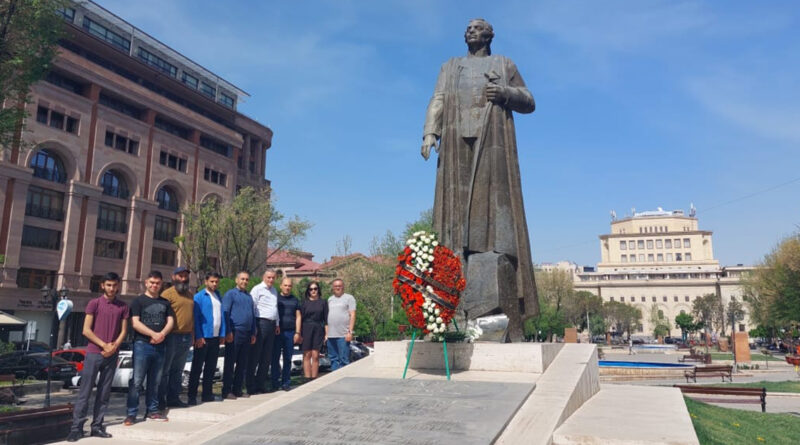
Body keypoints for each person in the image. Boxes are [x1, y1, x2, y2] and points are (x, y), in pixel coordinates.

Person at [420, 18, 538, 340]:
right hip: (456, 140)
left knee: (494, 211)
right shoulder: (450, 67)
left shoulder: (504, 63)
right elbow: (438, 99)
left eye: (476, 27)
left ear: (488, 35)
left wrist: (505, 93)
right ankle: (453, 298)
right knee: (454, 219)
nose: (469, 31)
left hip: (492, 138)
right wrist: (430, 131)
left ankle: (495, 286)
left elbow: (529, 100)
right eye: (467, 28)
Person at [66, 272, 129, 442]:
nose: (112, 288)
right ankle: (77, 428)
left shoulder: (123, 306)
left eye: (114, 285)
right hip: (94, 353)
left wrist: (114, 346)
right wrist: (104, 345)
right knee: (85, 392)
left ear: (118, 286)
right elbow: (86, 330)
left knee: (104, 393)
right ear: (102, 285)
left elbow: (124, 331)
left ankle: (97, 426)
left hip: (112, 354)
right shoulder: (94, 303)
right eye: (108, 285)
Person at [125, 271, 174, 425]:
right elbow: (135, 323)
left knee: (155, 381)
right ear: (146, 283)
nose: (154, 285)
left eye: (157, 283)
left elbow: (170, 321)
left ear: (161, 284)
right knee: (137, 381)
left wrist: (162, 334)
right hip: (142, 345)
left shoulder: (166, 303)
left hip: (160, 346)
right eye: (152, 282)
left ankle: (152, 410)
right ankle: (131, 413)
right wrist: (153, 334)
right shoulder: (138, 301)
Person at [188, 272, 227, 405]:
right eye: (212, 281)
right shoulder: (199, 297)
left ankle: (207, 394)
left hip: (215, 337)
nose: (214, 284)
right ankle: (192, 396)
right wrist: (198, 336)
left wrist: (222, 333)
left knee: (210, 367)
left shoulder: (218, 296)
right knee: (197, 368)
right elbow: (196, 318)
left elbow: (221, 316)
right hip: (203, 338)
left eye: (216, 281)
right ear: (206, 282)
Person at [158, 266, 194, 409]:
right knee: (165, 370)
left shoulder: (190, 295)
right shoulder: (167, 294)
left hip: (186, 337)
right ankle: (160, 400)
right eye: (180, 276)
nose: (183, 279)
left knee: (178, 370)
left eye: (185, 276)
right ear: (173, 277)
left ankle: (173, 398)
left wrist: (192, 335)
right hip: (171, 336)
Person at [221, 271, 256, 399]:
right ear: (236, 280)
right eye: (242, 279)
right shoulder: (230, 294)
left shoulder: (249, 296)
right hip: (235, 332)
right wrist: (228, 331)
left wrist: (253, 332)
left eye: (247, 279)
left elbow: (252, 315)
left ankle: (238, 389)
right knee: (230, 362)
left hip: (247, 333)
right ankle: (226, 390)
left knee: (242, 363)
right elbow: (225, 313)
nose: (244, 281)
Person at [247, 269, 279, 395]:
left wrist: (277, 324)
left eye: (273, 278)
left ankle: (261, 385)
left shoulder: (274, 290)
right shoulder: (257, 289)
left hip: (272, 324)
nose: (271, 280)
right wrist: (253, 326)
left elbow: (275, 308)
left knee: (266, 357)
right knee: (255, 356)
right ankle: (250, 386)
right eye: (269, 277)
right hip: (260, 323)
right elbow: (252, 307)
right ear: (263, 277)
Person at [271, 278, 300, 391]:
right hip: (277, 332)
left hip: (290, 332)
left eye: (289, 286)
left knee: (288, 358)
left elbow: (298, 317)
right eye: (285, 285)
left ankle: (286, 383)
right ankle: (274, 383)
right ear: (281, 286)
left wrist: (297, 332)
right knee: (275, 358)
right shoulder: (275, 298)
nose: (287, 287)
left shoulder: (295, 300)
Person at [326, 279, 356, 371]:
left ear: (343, 287)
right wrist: (326, 334)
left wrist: (350, 332)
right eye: (335, 286)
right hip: (331, 335)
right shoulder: (330, 299)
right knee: (333, 359)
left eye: (339, 286)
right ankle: (335, 378)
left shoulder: (349, 298)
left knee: (344, 360)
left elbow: (352, 315)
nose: (337, 288)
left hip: (343, 335)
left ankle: (344, 378)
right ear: (333, 288)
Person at [300, 282, 327, 380]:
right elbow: (300, 318)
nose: (313, 291)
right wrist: (299, 333)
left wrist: (326, 334)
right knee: (307, 355)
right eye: (311, 289)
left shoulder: (323, 302)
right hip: (306, 329)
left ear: (318, 290)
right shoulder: (304, 303)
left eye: (315, 288)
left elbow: (326, 319)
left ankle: (314, 379)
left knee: (315, 356)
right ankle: (307, 379)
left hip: (318, 329)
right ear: (308, 291)